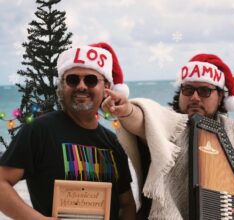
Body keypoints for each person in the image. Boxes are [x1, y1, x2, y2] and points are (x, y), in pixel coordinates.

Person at [102, 54, 234, 219]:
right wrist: (126, 110)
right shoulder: (168, 121)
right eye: (188, 90)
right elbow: (143, 117)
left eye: (204, 91)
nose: (195, 97)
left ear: (220, 97)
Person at [0, 42, 136, 219]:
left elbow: (126, 204)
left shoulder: (113, 142)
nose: (81, 86)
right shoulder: (40, 130)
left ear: (107, 88)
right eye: (72, 79)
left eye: (91, 80)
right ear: (62, 86)